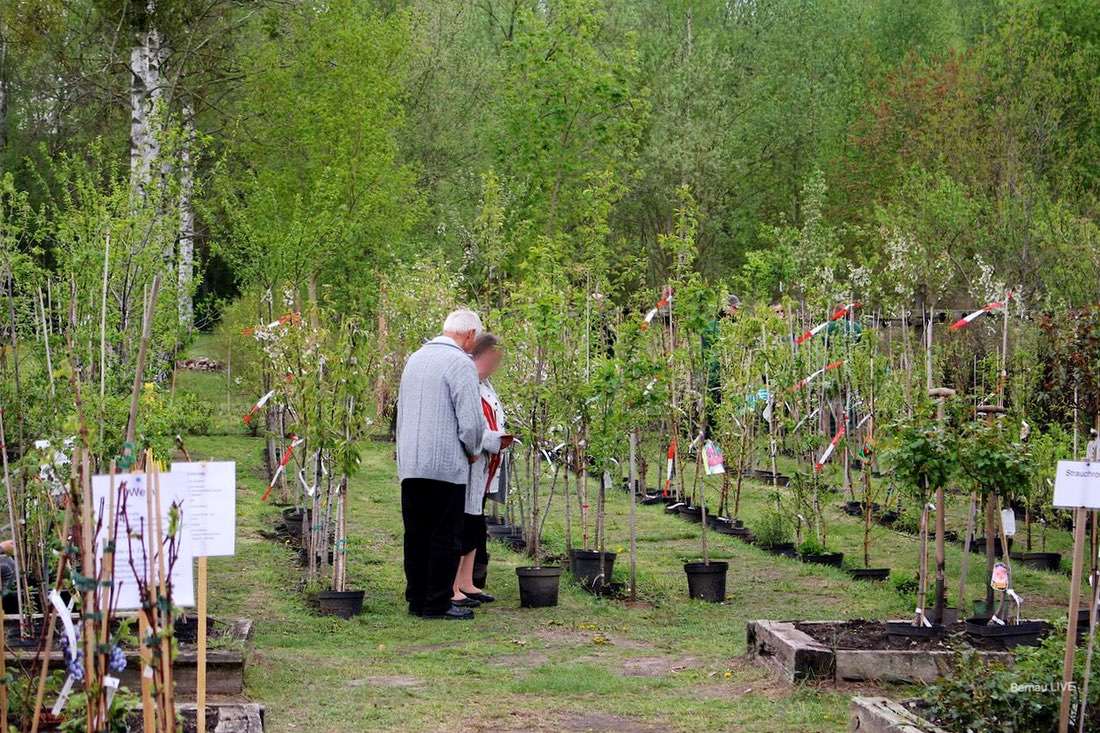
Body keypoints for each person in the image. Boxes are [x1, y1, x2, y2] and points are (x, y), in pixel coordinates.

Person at [396, 309, 487, 621]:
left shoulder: (415, 358)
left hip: (411, 464)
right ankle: (436, 602)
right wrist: (473, 449)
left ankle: (417, 599)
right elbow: (472, 421)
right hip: (445, 465)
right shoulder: (460, 363)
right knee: (444, 536)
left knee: (416, 534)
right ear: (471, 335)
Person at [452, 334, 512, 607]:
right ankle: (452, 585)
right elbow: (469, 423)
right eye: (493, 358)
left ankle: (467, 581)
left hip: (487, 466)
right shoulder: (466, 380)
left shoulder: (486, 384)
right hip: (469, 462)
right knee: (463, 524)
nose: (495, 365)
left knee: (475, 524)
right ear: (480, 354)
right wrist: (492, 440)